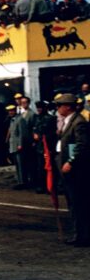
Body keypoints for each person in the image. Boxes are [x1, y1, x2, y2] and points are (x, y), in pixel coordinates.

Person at [55, 93, 90, 246]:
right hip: (67, 169)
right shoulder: (69, 121)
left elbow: (82, 145)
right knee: (73, 203)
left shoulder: (78, 123)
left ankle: (83, 236)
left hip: (76, 171)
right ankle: (79, 233)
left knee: (79, 203)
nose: (57, 108)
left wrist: (71, 162)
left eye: (59, 105)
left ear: (68, 106)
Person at [33, 100, 57, 193]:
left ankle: (50, 186)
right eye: (38, 108)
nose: (38, 110)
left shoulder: (51, 118)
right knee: (40, 167)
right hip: (39, 146)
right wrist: (35, 134)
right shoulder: (37, 118)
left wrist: (42, 136)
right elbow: (34, 129)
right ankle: (42, 186)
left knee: (50, 167)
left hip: (48, 146)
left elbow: (53, 133)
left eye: (40, 108)